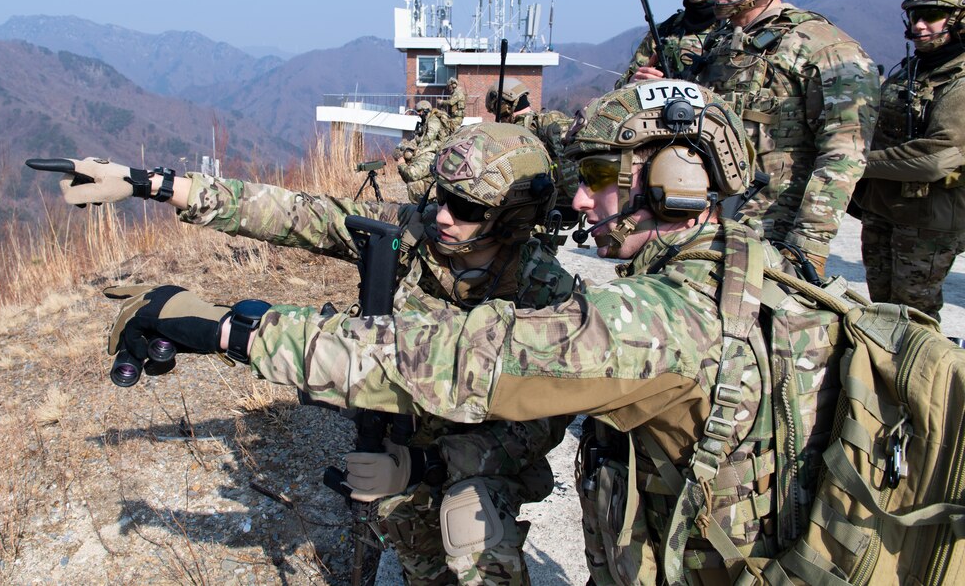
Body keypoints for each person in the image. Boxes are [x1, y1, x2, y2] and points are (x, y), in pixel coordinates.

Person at [103, 80, 854, 585]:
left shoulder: (648, 318)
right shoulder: (718, 273)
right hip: (635, 525)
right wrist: (167, 187)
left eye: (601, 174)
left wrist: (232, 330)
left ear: (678, 177)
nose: (585, 199)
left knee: (466, 521)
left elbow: (465, 367)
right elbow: (306, 216)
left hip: (473, 454)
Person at [36, 123, 575, 585]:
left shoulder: (545, 294)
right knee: (415, 553)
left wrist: (426, 465)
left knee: (475, 532)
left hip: (472, 455)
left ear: (510, 218)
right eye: (439, 195)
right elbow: (293, 213)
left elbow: (540, 427)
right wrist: (151, 184)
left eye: (465, 207)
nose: (442, 215)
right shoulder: (411, 232)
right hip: (395, 435)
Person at [632, 0, 880, 275]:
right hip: (706, 225)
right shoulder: (718, 45)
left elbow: (843, 156)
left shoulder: (823, 49)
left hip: (773, 238)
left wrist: (807, 247)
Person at [858, 0, 965, 320]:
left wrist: (858, 162)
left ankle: (922, 374)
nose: (919, 25)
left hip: (927, 218)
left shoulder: (959, 81)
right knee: (880, 309)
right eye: (914, 15)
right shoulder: (912, 68)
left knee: (913, 314)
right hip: (884, 207)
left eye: (930, 15)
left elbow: (936, 157)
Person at [485, 78, 579, 230]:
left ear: (503, 106)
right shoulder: (553, 120)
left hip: (533, 213)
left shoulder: (516, 133)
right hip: (567, 209)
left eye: (495, 110)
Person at [396, 100, 453, 204]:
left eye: (420, 111)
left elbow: (429, 137)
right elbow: (421, 138)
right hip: (431, 147)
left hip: (435, 148)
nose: (419, 114)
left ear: (426, 110)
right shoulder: (426, 121)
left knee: (413, 174)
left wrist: (418, 150)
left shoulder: (433, 120)